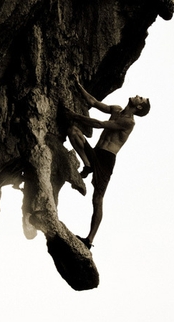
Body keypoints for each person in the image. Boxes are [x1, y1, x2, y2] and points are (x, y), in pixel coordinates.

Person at [66, 77, 150, 249]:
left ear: (139, 107)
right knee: (73, 131)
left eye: (140, 99)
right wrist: (77, 85)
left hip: (106, 159)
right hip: (96, 152)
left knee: (97, 199)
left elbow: (99, 124)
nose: (137, 96)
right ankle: (87, 163)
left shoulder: (128, 122)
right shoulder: (117, 110)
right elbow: (94, 102)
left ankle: (89, 240)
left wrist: (75, 116)